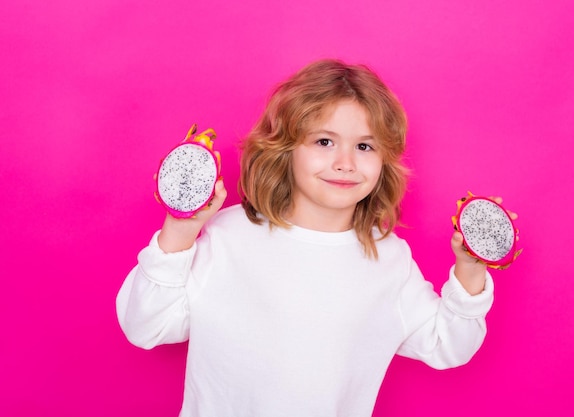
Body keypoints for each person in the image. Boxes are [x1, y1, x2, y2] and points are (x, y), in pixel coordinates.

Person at [116, 59, 496, 417]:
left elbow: (448, 344)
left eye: (364, 146)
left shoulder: (389, 259)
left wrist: (471, 268)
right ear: (286, 148)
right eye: (324, 142)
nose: (345, 162)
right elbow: (146, 327)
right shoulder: (227, 237)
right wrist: (181, 229)